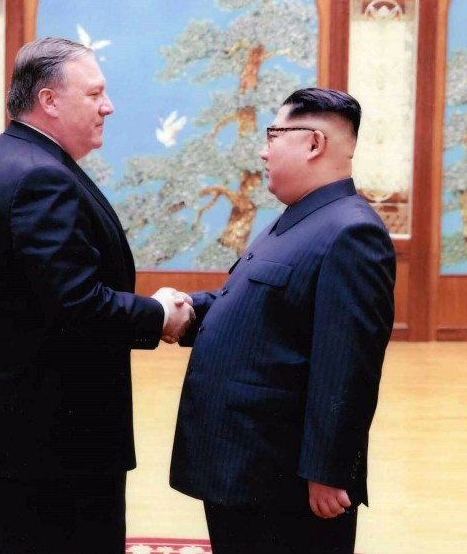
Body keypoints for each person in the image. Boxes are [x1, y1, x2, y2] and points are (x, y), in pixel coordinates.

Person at [0, 37, 194, 554]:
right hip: (49, 433)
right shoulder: (39, 176)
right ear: (50, 100)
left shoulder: (11, 154)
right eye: (95, 93)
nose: (109, 105)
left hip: (26, 423)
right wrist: (158, 313)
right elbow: (76, 307)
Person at [169, 88, 396, 554]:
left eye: (274, 134)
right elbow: (253, 307)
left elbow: (347, 365)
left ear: (313, 143)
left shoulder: (351, 230)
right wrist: (187, 310)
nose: (263, 148)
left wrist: (328, 471)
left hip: (284, 479)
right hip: (247, 465)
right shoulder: (296, 219)